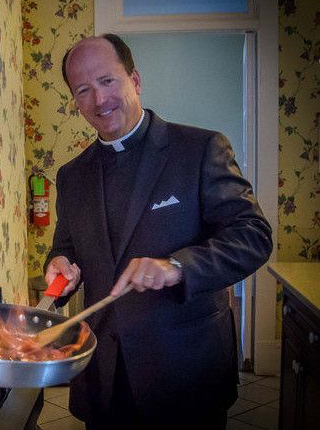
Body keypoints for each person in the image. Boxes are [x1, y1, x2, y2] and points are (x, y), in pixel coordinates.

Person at [44, 34, 272, 429]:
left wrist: (177, 267)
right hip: (104, 378)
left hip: (185, 370)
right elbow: (66, 249)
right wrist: (60, 266)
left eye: (107, 81)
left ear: (134, 79)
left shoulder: (200, 149)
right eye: (83, 90)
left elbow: (253, 235)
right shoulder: (71, 176)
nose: (99, 100)